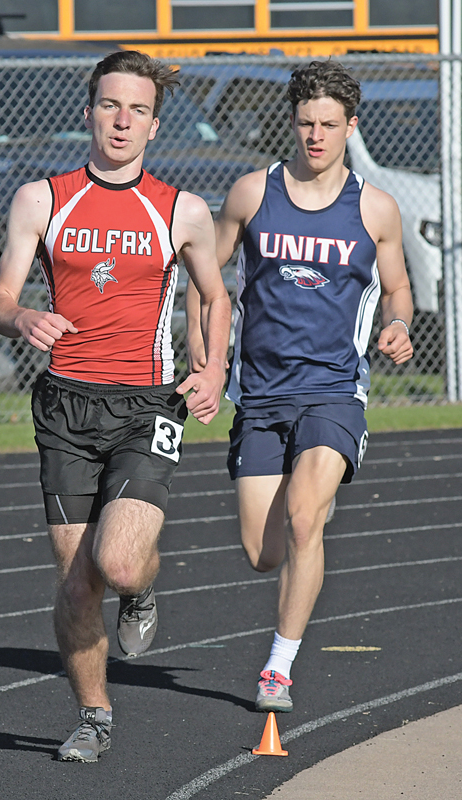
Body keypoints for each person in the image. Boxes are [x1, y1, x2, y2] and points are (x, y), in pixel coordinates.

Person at [0, 50, 231, 762]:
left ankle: (142, 589)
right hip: (65, 405)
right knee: (75, 582)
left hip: (146, 403)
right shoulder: (42, 198)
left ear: (155, 125)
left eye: (137, 110)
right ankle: (93, 715)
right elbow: (1, 297)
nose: (121, 120)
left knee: (119, 564)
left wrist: (212, 369)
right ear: (89, 110)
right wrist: (22, 317)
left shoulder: (181, 208)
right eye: (109, 105)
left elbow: (214, 295)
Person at [186, 59, 413, 713]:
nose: (315, 136)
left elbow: (396, 288)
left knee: (305, 518)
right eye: (305, 123)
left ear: (350, 126)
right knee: (263, 554)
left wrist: (396, 325)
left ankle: (277, 668)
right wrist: (202, 355)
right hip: (259, 394)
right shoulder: (252, 194)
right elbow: (209, 272)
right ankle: (304, 518)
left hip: (333, 390)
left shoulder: (374, 208)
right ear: (291, 123)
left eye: (328, 124)